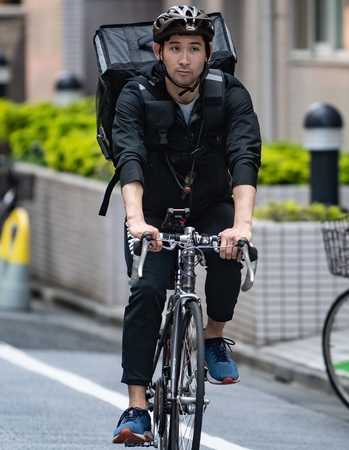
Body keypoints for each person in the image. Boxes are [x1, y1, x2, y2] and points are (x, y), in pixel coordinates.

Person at [111, 5, 262, 445]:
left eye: (194, 48)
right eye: (174, 47)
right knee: (146, 291)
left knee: (230, 252)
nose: (184, 58)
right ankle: (137, 408)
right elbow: (129, 157)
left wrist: (242, 226)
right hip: (153, 214)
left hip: (210, 205)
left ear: (208, 54)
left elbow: (245, 157)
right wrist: (136, 222)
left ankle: (213, 337)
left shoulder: (229, 94)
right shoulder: (136, 95)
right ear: (158, 52)